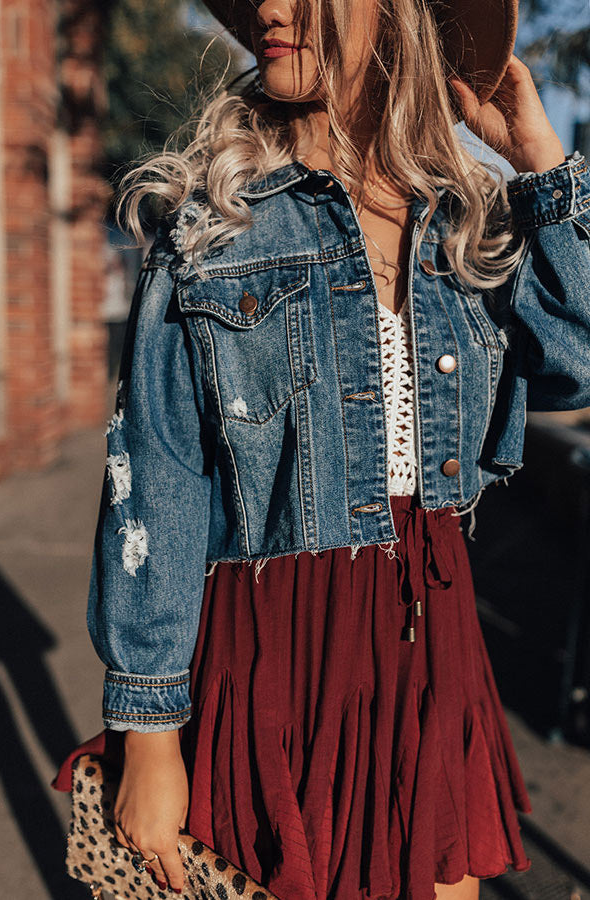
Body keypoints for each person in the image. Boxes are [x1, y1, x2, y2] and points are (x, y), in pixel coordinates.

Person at [51, 1, 590, 898]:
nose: (270, 5)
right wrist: (148, 730)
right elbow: (155, 482)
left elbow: (576, 362)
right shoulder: (209, 229)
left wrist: (541, 165)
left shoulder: (466, 226)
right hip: (278, 659)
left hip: (437, 651)